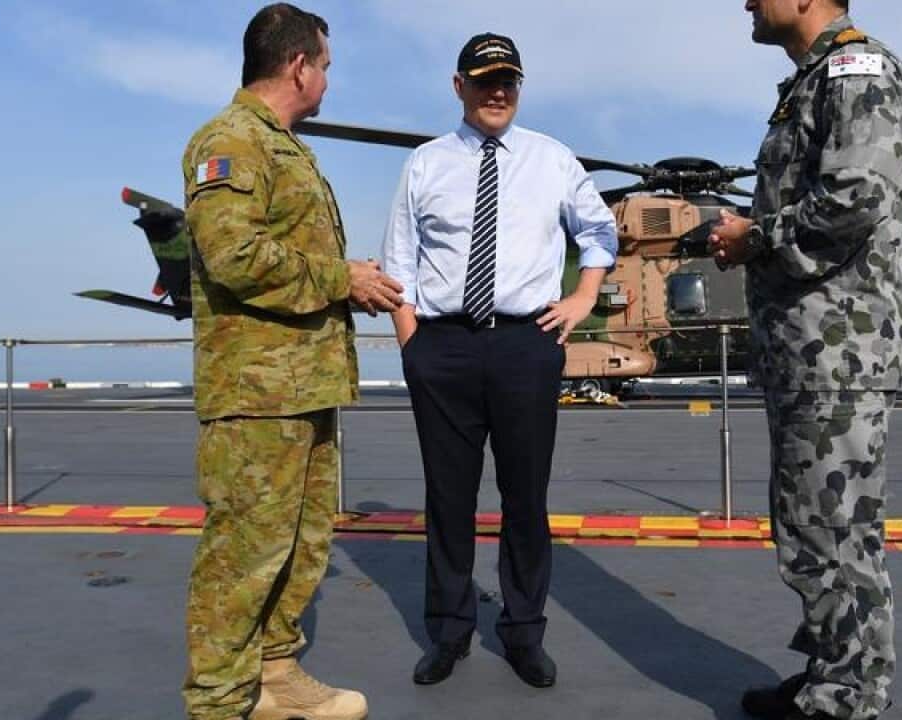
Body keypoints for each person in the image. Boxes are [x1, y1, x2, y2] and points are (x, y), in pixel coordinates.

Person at [180, 4, 403, 719]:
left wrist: (349, 279)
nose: (328, 82)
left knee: (302, 545)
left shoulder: (284, 147)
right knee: (243, 554)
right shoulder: (231, 141)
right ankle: (218, 703)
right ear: (299, 65)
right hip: (256, 395)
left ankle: (274, 678)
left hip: (304, 387)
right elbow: (234, 256)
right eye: (326, 67)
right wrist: (343, 278)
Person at [380, 32, 617, 690]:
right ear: (459, 87)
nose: (497, 92)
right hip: (443, 346)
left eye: (508, 80)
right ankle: (450, 630)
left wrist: (583, 299)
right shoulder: (425, 164)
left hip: (524, 343)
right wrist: (414, 346)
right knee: (447, 498)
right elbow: (398, 261)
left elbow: (599, 230)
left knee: (525, 498)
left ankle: (523, 631)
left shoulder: (552, 159)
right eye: (484, 80)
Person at [709, 1, 902, 718]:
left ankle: (847, 696)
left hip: (837, 352)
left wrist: (755, 237)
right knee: (816, 525)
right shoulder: (816, 79)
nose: (746, 2)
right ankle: (836, 673)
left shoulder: (858, 71)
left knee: (832, 529)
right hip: (810, 350)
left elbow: (856, 197)